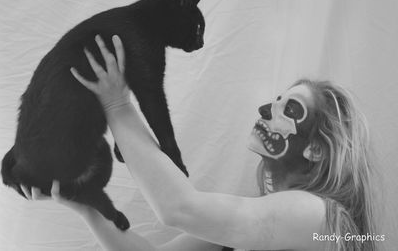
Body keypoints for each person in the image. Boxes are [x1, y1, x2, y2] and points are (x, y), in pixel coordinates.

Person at [21, 35, 379, 251]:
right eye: (276, 99)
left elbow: (179, 208)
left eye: (291, 108)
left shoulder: (320, 218)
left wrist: (117, 104)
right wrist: (88, 206)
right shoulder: (254, 217)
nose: (267, 109)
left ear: (316, 148)